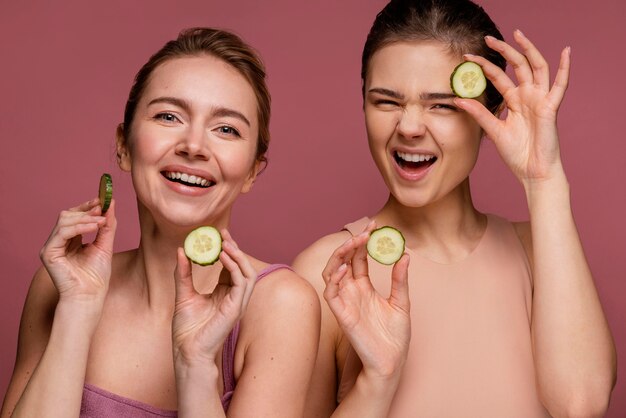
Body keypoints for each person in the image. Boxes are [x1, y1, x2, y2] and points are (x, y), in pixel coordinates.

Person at [293, 0, 617, 416]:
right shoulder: (328, 274)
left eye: (442, 105)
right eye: (387, 102)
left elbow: (582, 404)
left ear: (491, 114)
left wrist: (545, 179)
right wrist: (379, 377)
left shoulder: (539, 253)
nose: (409, 127)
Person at [1, 27, 320, 418]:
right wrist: (77, 311)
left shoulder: (279, 306)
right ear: (124, 146)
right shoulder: (58, 286)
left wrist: (196, 365)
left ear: (253, 171)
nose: (194, 146)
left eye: (226, 129)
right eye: (169, 116)